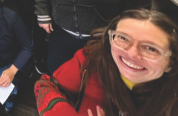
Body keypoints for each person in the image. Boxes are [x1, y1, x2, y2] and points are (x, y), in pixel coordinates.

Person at [35, 9, 178, 116]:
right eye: (123, 38)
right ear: (110, 39)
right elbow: (47, 86)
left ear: (171, 63)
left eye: (151, 48)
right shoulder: (90, 60)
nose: (132, 53)